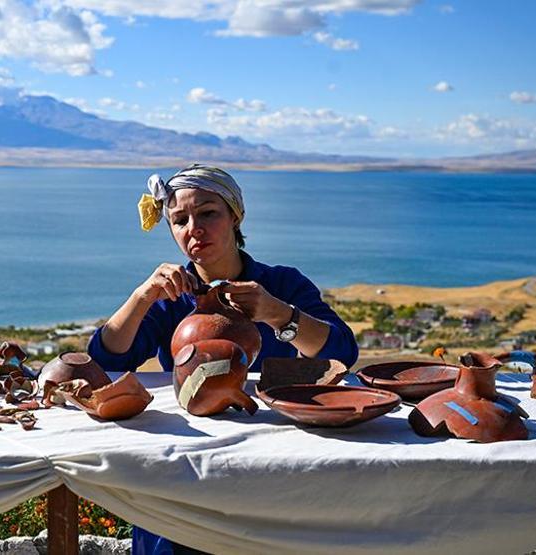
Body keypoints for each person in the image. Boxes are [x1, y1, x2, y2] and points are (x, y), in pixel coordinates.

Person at [87, 164, 358, 555]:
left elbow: (341, 352)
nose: (193, 228)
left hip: (269, 460)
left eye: (208, 213)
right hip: (188, 461)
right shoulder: (171, 297)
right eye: (179, 220)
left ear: (235, 216)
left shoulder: (281, 285)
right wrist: (141, 297)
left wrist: (279, 313)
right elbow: (106, 360)